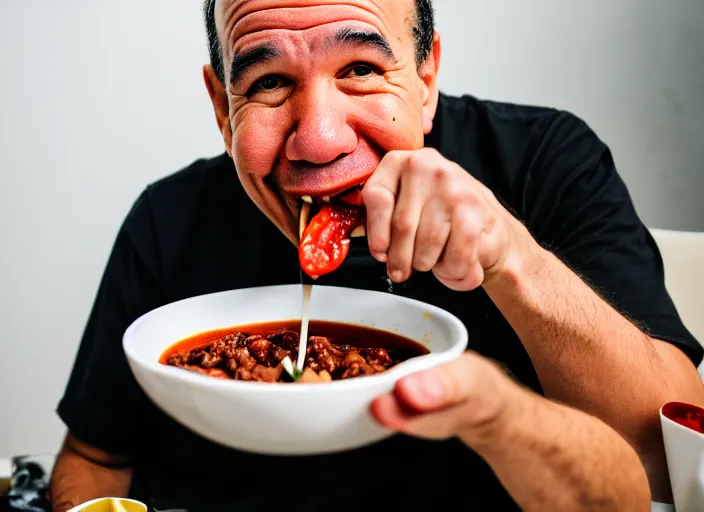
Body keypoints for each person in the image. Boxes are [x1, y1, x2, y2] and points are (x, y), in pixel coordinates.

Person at [50, 0, 703, 510]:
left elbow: (668, 462)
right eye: (270, 81)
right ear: (223, 107)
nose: (319, 139)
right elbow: (95, 456)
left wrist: (512, 258)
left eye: (360, 69)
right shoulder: (168, 220)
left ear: (426, 76)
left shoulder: (543, 162)